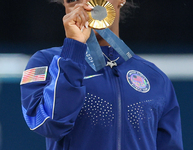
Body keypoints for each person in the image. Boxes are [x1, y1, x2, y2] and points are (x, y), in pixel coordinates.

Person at [20, 0, 184, 149]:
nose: (84, 7)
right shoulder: (46, 62)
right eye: (72, 1)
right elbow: (50, 125)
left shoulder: (155, 77)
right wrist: (73, 51)